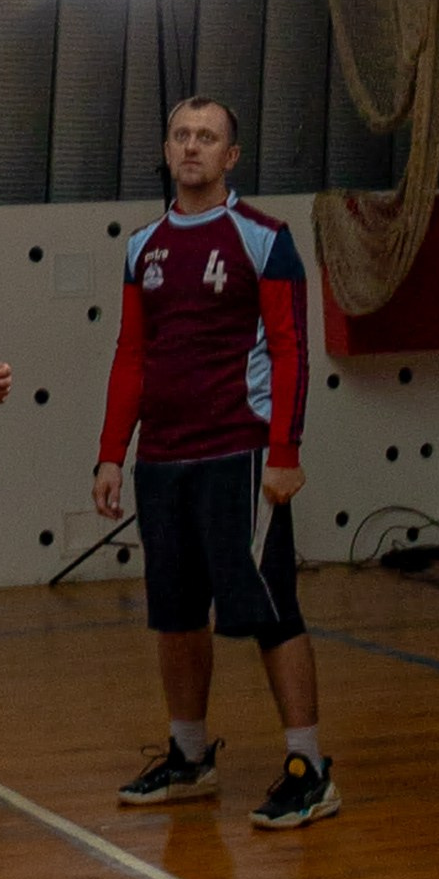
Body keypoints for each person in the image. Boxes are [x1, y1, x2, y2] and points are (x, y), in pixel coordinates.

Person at [91, 97, 336, 833]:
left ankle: (310, 768)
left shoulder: (264, 239)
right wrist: (111, 454)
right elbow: (132, 355)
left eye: (208, 138)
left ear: (232, 157)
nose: (192, 147)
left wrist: (284, 453)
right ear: (166, 150)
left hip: (243, 454)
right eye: (181, 135)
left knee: (269, 610)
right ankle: (190, 757)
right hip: (164, 459)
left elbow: (292, 349)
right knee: (174, 614)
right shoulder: (143, 246)